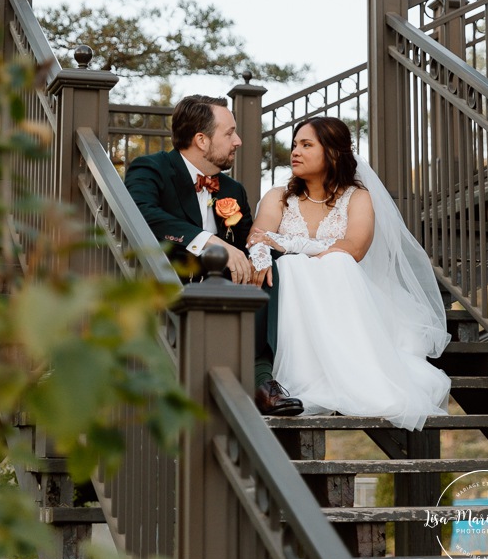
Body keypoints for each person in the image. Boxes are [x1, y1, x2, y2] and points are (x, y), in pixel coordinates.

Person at [247, 116, 451, 430]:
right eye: (294, 145)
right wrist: (263, 253)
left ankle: (342, 372)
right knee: (292, 265)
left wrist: (285, 243)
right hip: (288, 297)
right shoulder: (278, 196)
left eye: (306, 145)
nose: (295, 153)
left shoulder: (357, 198)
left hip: (339, 297)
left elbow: (353, 248)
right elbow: (258, 237)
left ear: (332, 153)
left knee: (335, 262)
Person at [124, 94, 304, 417]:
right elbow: (142, 215)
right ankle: (251, 379)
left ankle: (262, 380)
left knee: (272, 266)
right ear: (201, 140)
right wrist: (209, 242)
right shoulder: (151, 169)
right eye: (229, 133)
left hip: (226, 287)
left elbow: (248, 238)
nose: (238, 141)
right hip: (171, 283)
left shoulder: (233, 190)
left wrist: (258, 255)